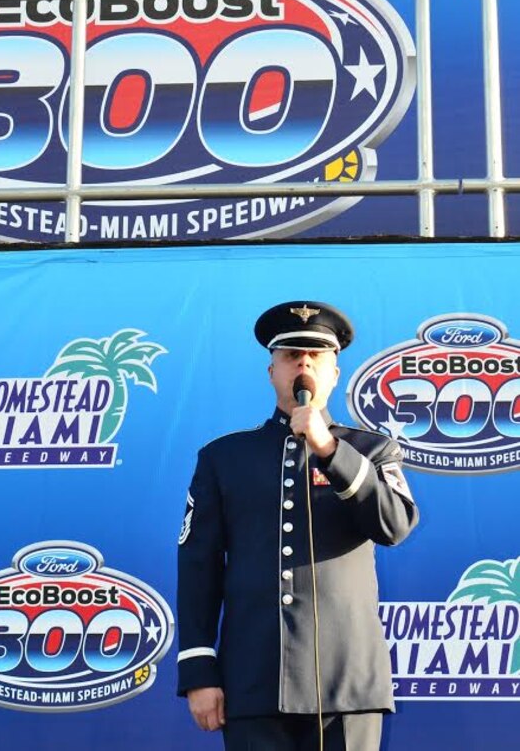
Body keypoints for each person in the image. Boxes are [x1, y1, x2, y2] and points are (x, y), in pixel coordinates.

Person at [176, 301, 419, 750]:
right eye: (291, 355)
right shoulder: (223, 458)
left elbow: (395, 524)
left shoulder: (372, 451)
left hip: (347, 686)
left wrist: (331, 451)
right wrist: (198, 671)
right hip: (252, 683)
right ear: (272, 372)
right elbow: (198, 567)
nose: (303, 363)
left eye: (316, 356)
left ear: (335, 374)